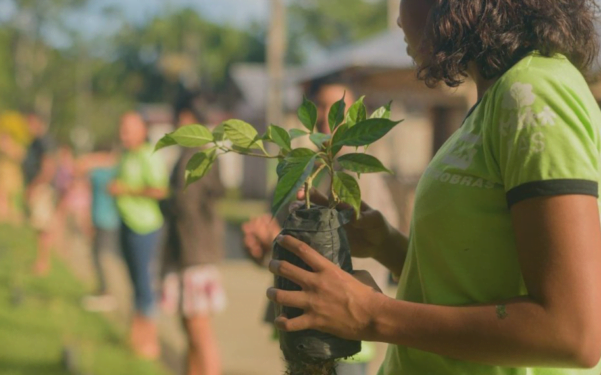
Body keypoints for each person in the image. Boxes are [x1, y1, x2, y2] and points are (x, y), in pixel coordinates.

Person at [264, 1, 601, 374]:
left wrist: (372, 314)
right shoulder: (497, 97)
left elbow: (572, 333)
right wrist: (387, 245)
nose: (397, 17)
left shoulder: (535, 93)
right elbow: (478, 282)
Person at [243, 83, 399, 374]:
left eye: (339, 108)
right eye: (321, 107)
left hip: (347, 325)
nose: (327, 116)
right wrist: (262, 245)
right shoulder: (301, 171)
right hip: (301, 326)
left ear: (359, 119)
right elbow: (280, 242)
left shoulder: (361, 175)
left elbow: (372, 247)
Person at [160, 95, 227, 375]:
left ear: (187, 118)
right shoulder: (207, 151)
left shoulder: (192, 155)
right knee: (191, 327)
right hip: (199, 250)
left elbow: (184, 204)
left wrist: (162, 201)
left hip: (192, 251)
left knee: (198, 329)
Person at [109, 111, 168, 359]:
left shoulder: (148, 155)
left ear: (142, 131)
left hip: (145, 227)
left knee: (144, 283)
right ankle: (135, 336)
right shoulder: (126, 155)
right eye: (121, 129)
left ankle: (150, 342)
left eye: (128, 129)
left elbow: (160, 190)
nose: (124, 135)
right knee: (134, 282)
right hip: (127, 223)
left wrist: (127, 190)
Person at [78, 142, 120, 312]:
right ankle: (103, 290)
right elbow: (80, 166)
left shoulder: (116, 171)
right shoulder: (98, 172)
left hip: (109, 220)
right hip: (97, 219)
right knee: (96, 256)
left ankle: (108, 294)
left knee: (103, 257)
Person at [21, 113, 56, 276]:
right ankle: (41, 261)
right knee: (39, 227)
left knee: (43, 227)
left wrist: (35, 186)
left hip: (41, 188)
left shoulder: (44, 141)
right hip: (38, 187)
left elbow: (48, 167)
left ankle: (43, 263)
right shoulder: (35, 142)